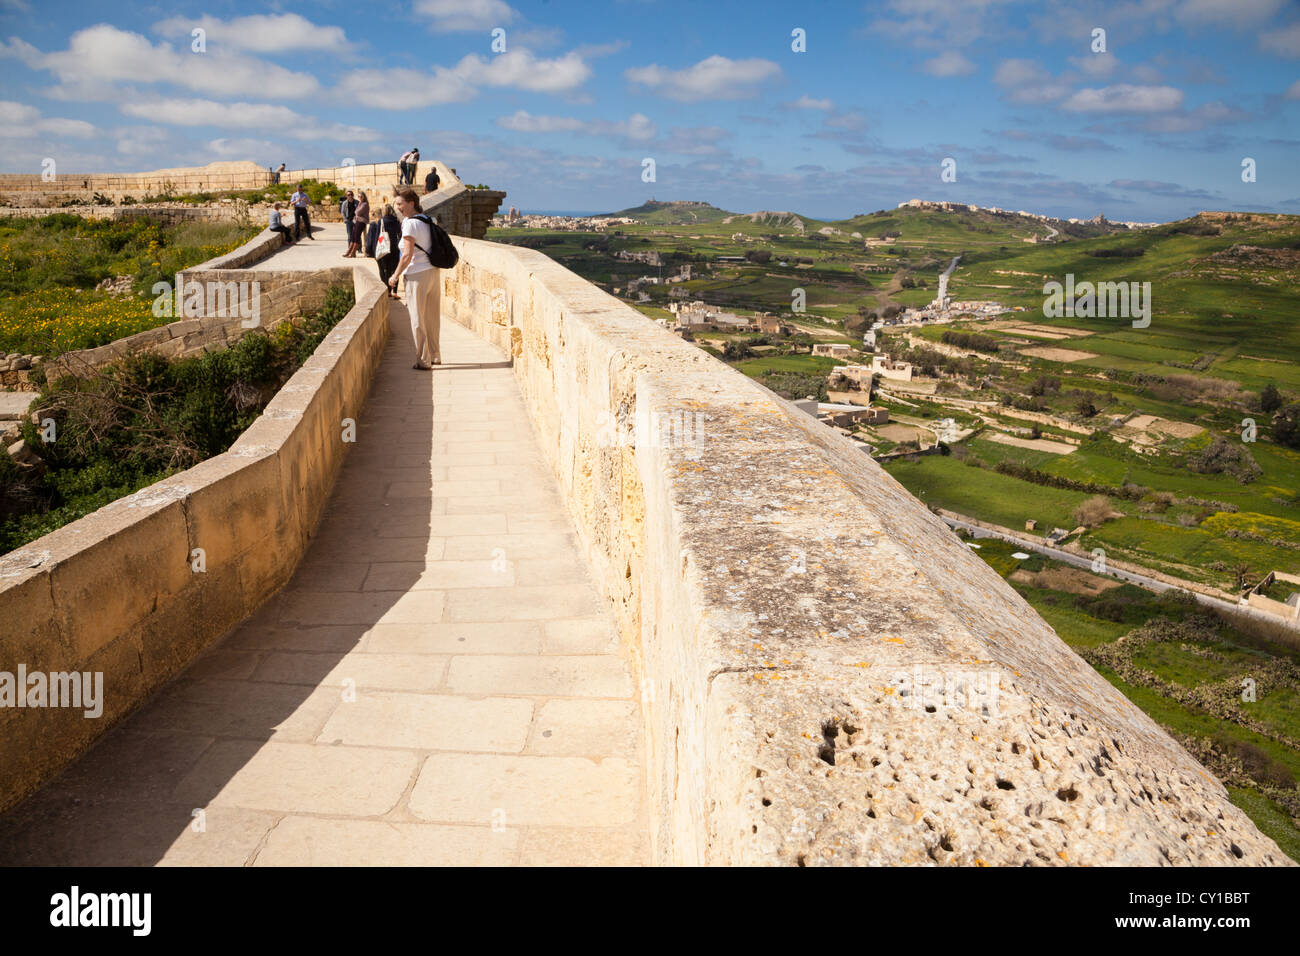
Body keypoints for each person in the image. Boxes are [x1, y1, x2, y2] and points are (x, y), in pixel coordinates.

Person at [389, 187, 440, 368]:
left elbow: (407, 255)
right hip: (433, 272)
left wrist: (395, 276)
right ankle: (434, 355)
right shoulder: (428, 219)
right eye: (396, 204)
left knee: (417, 318)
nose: (398, 208)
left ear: (411, 203)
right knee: (432, 317)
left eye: (400, 204)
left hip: (417, 274)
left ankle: (423, 360)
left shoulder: (410, 223)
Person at [375, 204, 402, 297]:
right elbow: (399, 233)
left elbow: (377, 237)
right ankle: (395, 291)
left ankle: (388, 291)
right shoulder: (397, 221)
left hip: (384, 248)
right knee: (394, 270)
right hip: (395, 247)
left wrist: (375, 251)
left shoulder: (381, 221)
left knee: (385, 270)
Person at [345, 191, 368, 258]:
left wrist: (356, 212)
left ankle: (352, 252)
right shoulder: (360, 203)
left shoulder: (364, 204)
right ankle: (349, 251)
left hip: (362, 222)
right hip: (357, 221)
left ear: (364, 197)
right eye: (358, 196)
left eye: (361, 196)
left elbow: (357, 212)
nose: (360, 198)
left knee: (357, 236)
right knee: (353, 236)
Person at [339, 190, 357, 257]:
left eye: (351, 194)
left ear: (353, 195)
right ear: (346, 196)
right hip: (348, 221)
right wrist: (345, 220)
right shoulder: (344, 203)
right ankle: (349, 249)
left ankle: (359, 249)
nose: (350, 196)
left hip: (355, 221)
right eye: (348, 195)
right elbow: (342, 212)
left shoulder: (357, 202)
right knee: (350, 236)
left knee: (356, 236)